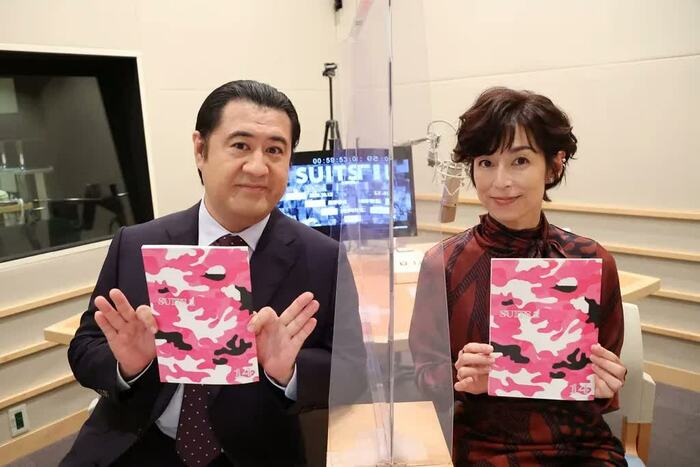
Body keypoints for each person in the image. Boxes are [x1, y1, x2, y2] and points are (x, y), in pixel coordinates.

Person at [61, 80, 363, 467]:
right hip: (135, 441)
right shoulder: (136, 243)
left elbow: (354, 371)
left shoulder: (323, 257)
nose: (258, 167)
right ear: (200, 150)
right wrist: (128, 367)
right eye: (240, 145)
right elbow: (85, 347)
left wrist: (289, 372)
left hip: (253, 453)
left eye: (274, 150)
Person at [410, 87, 628, 466]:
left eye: (520, 161)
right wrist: (461, 377)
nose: (500, 181)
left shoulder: (592, 260)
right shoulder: (443, 263)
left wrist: (604, 383)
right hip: (484, 446)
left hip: (581, 446)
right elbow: (422, 375)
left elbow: (602, 383)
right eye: (486, 162)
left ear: (554, 165)